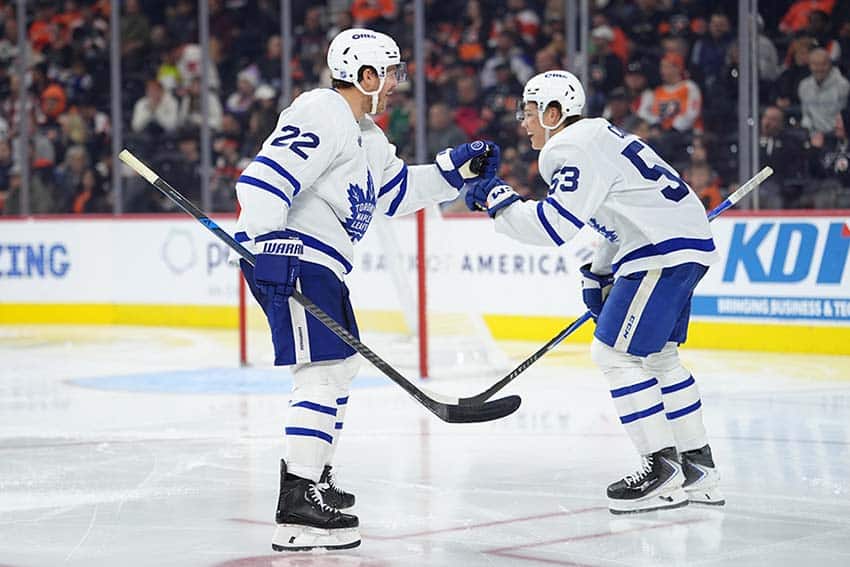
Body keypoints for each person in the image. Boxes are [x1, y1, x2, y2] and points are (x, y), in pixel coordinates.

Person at [232, 28, 497, 551]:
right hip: (294, 256)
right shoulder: (323, 110)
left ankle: (315, 476)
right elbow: (262, 179)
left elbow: (396, 194)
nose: (397, 83)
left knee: (340, 368)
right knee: (322, 371)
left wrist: (455, 171)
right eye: (391, 73)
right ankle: (297, 502)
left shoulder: (366, 134)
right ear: (365, 75)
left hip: (320, 265)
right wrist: (267, 243)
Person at [464, 70, 724, 515]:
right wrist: (599, 273)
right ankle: (699, 472)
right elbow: (616, 215)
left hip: (657, 253)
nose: (523, 122)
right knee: (661, 358)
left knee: (613, 356)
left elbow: (553, 226)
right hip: (683, 248)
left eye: (529, 113)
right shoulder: (600, 135)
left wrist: (498, 200)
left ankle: (661, 471)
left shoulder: (568, 147)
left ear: (553, 113)